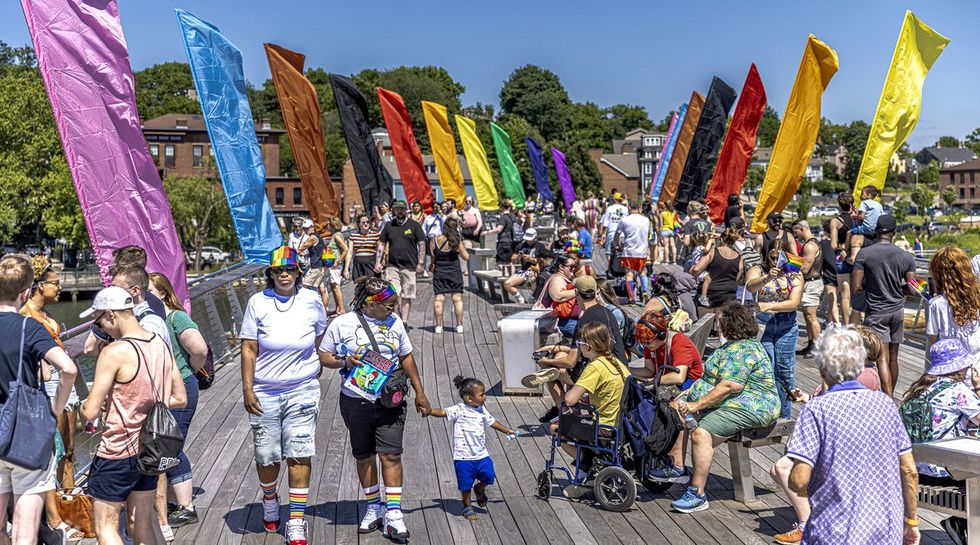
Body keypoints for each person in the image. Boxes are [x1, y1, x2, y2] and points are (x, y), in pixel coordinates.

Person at [785, 326, 920, 545]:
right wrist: (911, 522)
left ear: (822, 370)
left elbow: (799, 479)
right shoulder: (885, 404)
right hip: (886, 528)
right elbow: (909, 470)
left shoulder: (817, 410)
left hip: (835, 529)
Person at [319, 277, 431, 541]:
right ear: (370, 304)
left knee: (391, 454)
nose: (393, 309)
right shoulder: (342, 323)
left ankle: (393, 513)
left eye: (394, 305)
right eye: (389, 305)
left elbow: (406, 356)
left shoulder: (395, 322)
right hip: (355, 400)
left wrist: (420, 392)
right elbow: (324, 356)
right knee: (364, 455)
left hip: (390, 399)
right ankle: (373, 507)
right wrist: (344, 360)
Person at [80, 285, 185, 545]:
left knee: (105, 526)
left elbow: (91, 411)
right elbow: (179, 397)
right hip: (149, 448)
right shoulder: (159, 342)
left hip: (117, 449)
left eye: (99, 321)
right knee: (142, 522)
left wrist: (84, 408)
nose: (101, 327)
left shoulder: (115, 352)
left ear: (111, 315)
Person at [239, 247, 327, 545]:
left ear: (298, 272)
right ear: (271, 274)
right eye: (278, 271)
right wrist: (247, 387)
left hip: (302, 388)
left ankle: (297, 520)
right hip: (264, 390)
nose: (284, 275)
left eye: (289, 269)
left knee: (299, 452)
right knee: (266, 454)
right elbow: (249, 347)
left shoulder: (312, 300)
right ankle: (269, 500)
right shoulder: (257, 302)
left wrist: (310, 364)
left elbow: (319, 337)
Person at [657, 302, 779, 512]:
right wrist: (687, 398)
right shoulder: (735, 346)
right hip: (736, 402)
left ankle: (698, 493)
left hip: (752, 406)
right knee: (678, 409)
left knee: (701, 433)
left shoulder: (741, 351)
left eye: (721, 322)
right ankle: (677, 466)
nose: (718, 325)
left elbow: (730, 385)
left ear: (730, 326)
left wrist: (696, 404)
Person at [770, 325, 882, 544]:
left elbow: (835, 407)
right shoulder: (854, 372)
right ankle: (815, 519)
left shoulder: (864, 377)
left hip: (843, 445)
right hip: (831, 438)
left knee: (783, 469)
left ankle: (808, 525)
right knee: (779, 471)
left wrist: (825, 377)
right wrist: (807, 399)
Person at [0, 255, 77, 545]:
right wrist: (56, 408)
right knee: (25, 530)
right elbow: (68, 369)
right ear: (25, 292)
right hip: (27, 437)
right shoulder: (28, 327)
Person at [19, 258, 85, 541]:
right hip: (47, 384)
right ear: (38, 286)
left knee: (69, 448)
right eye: (56, 284)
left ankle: (70, 509)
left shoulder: (47, 316)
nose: (60, 288)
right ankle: (54, 517)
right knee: (51, 454)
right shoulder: (24, 316)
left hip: (64, 381)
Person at [901, 339, 980, 544]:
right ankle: (963, 526)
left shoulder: (919, 387)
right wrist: (978, 388)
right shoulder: (958, 391)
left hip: (916, 470)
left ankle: (959, 525)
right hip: (946, 474)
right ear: (959, 366)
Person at [147, 273, 209, 533]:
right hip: (164, 389)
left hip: (182, 385)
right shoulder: (151, 320)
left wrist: (189, 372)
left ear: (162, 293)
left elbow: (200, 350)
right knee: (166, 443)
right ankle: (174, 500)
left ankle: (186, 507)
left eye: (150, 291)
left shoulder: (175, 317)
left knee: (172, 444)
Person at [525, 275, 625, 423]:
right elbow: (582, 348)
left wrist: (545, 360)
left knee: (549, 370)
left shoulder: (585, 321)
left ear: (576, 293)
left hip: (600, 372)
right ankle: (574, 409)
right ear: (596, 292)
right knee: (559, 354)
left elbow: (571, 361)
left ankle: (564, 411)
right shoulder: (607, 312)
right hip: (619, 367)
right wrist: (554, 347)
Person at [548, 322, 631, 498]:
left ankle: (584, 467)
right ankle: (590, 462)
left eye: (580, 344)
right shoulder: (617, 363)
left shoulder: (595, 366)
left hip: (604, 426)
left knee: (556, 429)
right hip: (621, 424)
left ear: (589, 346)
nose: (578, 347)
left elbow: (570, 400)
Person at [424, 376, 517, 520]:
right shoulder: (459, 409)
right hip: (463, 457)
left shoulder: (481, 410)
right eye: (482, 394)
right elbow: (443, 412)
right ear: (469, 398)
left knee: (489, 476)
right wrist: (429, 411)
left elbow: (492, 422)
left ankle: (480, 488)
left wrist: (507, 430)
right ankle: (467, 507)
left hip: (481, 455)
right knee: (465, 485)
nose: (485, 397)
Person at [851, 214, 917, 397]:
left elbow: (856, 287)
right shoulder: (906, 256)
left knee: (881, 358)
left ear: (877, 232)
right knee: (893, 357)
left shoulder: (864, 254)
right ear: (894, 232)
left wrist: (872, 284)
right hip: (897, 311)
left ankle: (887, 400)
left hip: (876, 311)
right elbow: (912, 289)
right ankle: (891, 395)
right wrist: (895, 288)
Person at [747, 239, 803, 419]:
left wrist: (769, 305)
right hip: (763, 325)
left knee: (785, 371)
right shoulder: (758, 270)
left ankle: (784, 416)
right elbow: (750, 286)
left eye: (780, 257)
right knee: (764, 368)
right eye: (772, 256)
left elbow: (793, 303)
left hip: (786, 325)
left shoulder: (794, 274)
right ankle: (763, 413)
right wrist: (768, 278)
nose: (775, 261)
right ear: (767, 254)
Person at [927, 246, 980, 359]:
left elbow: (932, 343)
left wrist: (929, 370)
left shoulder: (936, 304)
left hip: (950, 368)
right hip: (976, 367)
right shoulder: (976, 297)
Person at [375, 200, 425, 321]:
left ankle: (404, 321)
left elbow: (422, 244)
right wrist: (378, 261)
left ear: (406, 211)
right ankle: (397, 317)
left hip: (410, 266)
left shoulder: (414, 225)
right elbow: (381, 244)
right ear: (393, 211)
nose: (400, 212)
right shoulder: (388, 225)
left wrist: (421, 263)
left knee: (407, 296)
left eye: (402, 209)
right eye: (397, 210)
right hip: (392, 266)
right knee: (393, 294)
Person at [633, 311, 703, 390]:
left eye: (648, 342)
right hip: (666, 381)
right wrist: (627, 370)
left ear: (661, 336)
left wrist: (652, 381)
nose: (645, 345)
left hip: (690, 384)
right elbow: (650, 370)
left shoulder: (679, 342)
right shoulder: (649, 343)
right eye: (643, 342)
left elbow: (679, 377)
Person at [691, 228, 743, 316]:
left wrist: (692, 270)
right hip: (728, 294)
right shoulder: (740, 258)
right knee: (722, 326)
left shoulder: (713, 252)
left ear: (721, 239)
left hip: (709, 294)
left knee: (705, 325)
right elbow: (737, 278)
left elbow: (696, 270)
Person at [431, 217, 470, 333]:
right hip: (454, 272)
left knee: (439, 299)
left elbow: (433, 258)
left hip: (439, 272)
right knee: (457, 299)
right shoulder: (457, 241)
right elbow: (466, 257)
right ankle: (459, 326)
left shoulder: (434, 240)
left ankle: (438, 326)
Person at [791, 220, 823, 358]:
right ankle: (811, 344)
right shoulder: (812, 243)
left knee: (811, 316)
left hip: (812, 283)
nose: (795, 235)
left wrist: (789, 264)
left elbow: (805, 268)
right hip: (810, 283)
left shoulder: (810, 246)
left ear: (802, 229)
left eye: (795, 231)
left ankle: (818, 347)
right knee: (807, 315)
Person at [531, 254, 580, 339]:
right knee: (585, 332)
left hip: (567, 320)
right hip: (557, 321)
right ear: (561, 267)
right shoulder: (556, 279)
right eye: (571, 267)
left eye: (575, 266)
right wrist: (579, 291)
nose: (574, 269)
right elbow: (558, 296)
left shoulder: (564, 279)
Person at [613, 202, 652, 304]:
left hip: (629, 251)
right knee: (642, 272)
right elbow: (648, 234)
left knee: (629, 275)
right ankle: (644, 290)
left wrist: (616, 244)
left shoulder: (625, 220)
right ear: (639, 208)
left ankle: (631, 299)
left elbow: (617, 234)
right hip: (642, 251)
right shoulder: (646, 220)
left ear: (629, 208)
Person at [829, 192, 856, 324]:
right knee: (858, 291)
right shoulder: (858, 219)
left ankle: (847, 326)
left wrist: (842, 247)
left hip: (842, 257)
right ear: (852, 204)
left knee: (845, 295)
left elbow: (833, 245)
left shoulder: (836, 221)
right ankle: (859, 322)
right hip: (857, 257)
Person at [503, 228, 547, 304]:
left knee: (533, 278)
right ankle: (519, 297)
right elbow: (513, 259)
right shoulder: (521, 245)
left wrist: (530, 259)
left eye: (530, 239)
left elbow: (544, 261)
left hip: (536, 270)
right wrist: (518, 257)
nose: (528, 241)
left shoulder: (540, 246)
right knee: (507, 284)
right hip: (524, 271)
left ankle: (534, 298)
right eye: (527, 239)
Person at [847, 185, 883, 265]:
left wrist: (853, 216)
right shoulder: (879, 205)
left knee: (849, 232)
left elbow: (861, 217)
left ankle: (847, 252)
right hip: (876, 230)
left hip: (866, 228)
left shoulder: (864, 203)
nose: (861, 195)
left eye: (862, 193)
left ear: (868, 194)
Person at [323, 217, 350, 315]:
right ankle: (338, 308)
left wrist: (338, 261)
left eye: (328, 225)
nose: (327, 227)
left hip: (335, 265)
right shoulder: (336, 235)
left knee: (336, 287)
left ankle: (342, 309)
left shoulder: (337, 236)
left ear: (332, 225)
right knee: (334, 286)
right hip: (333, 265)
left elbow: (345, 249)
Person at [819, 220, 841, 324]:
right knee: (835, 300)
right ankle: (829, 321)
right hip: (841, 273)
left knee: (833, 301)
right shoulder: (840, 243)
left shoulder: (823, 243)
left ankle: (836, 322)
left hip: (828, 274)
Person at [346, 214, 380, 282]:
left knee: (373, 287)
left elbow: (379, 251)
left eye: (367, 222)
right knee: (360, 288)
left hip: (371, 264)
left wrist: (379, 263)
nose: (366, 224)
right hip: (358, 265)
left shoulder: (375, 235)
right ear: (359, 224)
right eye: (363, 222)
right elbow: (349, 253)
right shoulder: (353, 235)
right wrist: (346, 269)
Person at [490, 199, 520, 270]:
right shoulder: (513, 217)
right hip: (513, 241)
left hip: (503, 242)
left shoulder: (503, 217)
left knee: (501, 263)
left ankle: (504, 278)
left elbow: (499, 229)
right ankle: (511, 277)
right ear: (509, 208)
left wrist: (488, 232)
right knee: (510, 262)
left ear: (502, 208)